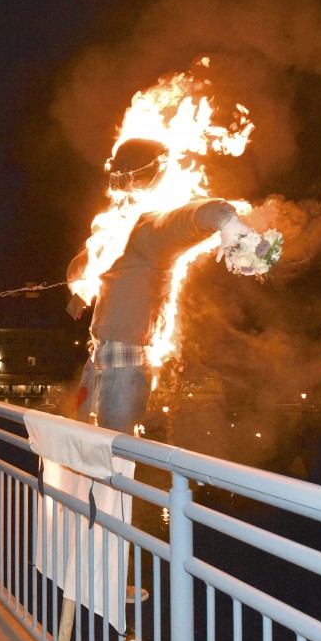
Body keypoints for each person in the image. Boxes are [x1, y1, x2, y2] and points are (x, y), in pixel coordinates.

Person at [65, 138, 255, 435]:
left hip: (125, 363)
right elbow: (79, 266)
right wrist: (82, 286)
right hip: (100, 357)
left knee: (114, 448)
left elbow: (209, 211)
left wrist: (233, 229)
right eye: (117, 178)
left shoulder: (152, 229)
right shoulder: (121, 229)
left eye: (127, 178)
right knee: (89, 443)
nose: (121, 187)